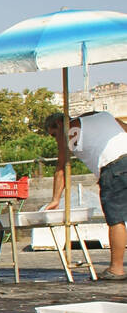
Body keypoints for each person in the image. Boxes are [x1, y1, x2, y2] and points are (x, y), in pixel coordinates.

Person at [45, 111, 127, 279]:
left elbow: (62, 167)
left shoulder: (68, 130)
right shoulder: (104, 116)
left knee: (116, 219)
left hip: (113, 169)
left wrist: (55, 199)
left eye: (53, 135)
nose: (55, 139)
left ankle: (116, 269)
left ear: (59, 124)